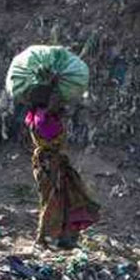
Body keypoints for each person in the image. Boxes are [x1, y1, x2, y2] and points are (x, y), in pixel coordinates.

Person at [25, 88, 100, 250]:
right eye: (55, 99)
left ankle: (65, 237)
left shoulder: (42, 115)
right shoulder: (41, 119)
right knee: (53, 200)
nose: (60, 102)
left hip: (55, 162)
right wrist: (57, 113)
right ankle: (43, 238)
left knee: (67, 198)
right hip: (48, 163)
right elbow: (53, 133)